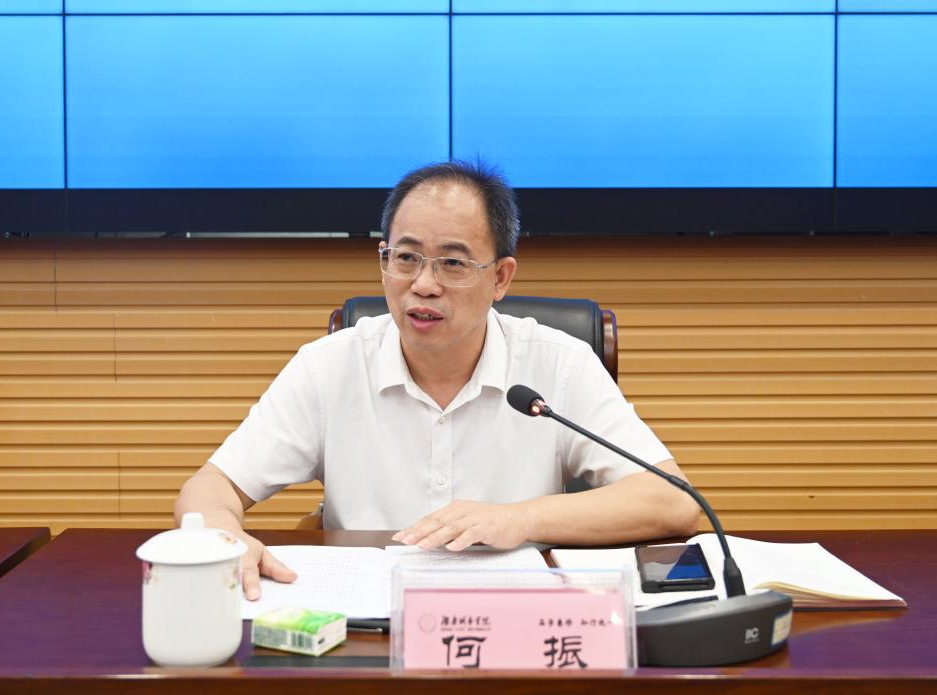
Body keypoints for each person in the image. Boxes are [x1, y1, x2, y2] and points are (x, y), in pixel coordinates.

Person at [175, 160, 699, 600]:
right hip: (367, 628)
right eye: (405, 258)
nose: (423, 285)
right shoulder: (329, 367)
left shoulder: (559, 364)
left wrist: (520, 519)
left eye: (452, 263)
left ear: (500, 278)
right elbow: (208, 488)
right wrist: (222, 538)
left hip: (517, 623)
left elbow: (674, 501)